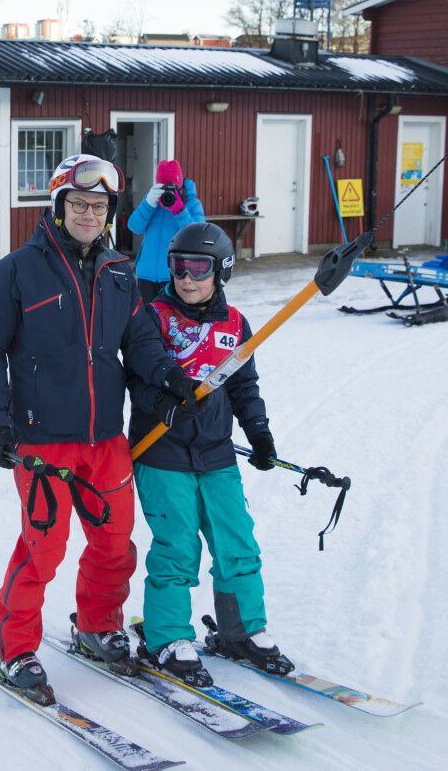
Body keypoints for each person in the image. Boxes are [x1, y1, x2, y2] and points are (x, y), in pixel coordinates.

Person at [0, 154, 208, 701]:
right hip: (41, 442)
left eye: (99, 207)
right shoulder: (16, 271)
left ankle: (98, 624)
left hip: (105, 441)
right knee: (43, 548)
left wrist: (172, 379)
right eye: (79, 203)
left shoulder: (120, 272)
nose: (89, 214)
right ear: (57, 206)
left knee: (112, 544)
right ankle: (14, 646)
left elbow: (141, 342)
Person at [127, 222, 294, 686]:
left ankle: (242, 631)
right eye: (178, 267)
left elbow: (244, 388)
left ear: (220, 271)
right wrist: (163, 404)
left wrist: (259, 434)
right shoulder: (153, 316)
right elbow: (137, 377)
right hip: (161, 452)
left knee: (236, 542)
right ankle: (167, 638)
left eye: (198, 268)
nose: (186, 278)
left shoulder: (235, 324)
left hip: (216, 453)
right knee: (177, 546)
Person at [127, 159, 205, 304]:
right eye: (163, 187)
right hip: (146, 274)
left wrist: (179, 209)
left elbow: (198, 235)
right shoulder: (152, 202)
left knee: (172, 321)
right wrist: (148, 204)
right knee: (147, 319)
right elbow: (134, 226)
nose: (167, 192)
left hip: (175, 275)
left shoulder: (192, 204)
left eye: (172, 187)